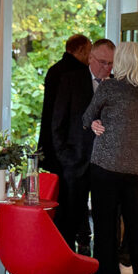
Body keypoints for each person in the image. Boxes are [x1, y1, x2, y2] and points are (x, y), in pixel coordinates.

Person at [80, 41, 138, 274]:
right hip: (136, 170)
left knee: (104, 230)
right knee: (135, 229)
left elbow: (86, 117)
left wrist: (94, 122)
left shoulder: (109, 87)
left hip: (106, 167)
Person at [50, 38, 115, 252]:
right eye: (103, 62)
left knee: (106, 220)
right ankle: (66, 261)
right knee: (70, 219)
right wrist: (65, 156)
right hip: (75, 160)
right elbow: (58, 122)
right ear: (90, 58)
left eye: (111, 63)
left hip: (106, 164)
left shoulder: (117, 85)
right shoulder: (71, 80)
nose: (107, 67)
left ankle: (103, 265)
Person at [38, 34, 91, 174]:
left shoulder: (54, 70)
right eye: (89, 51)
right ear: (81, 50)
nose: (90, 57)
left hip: (51, 139)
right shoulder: (78, 73)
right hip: (70, 143)